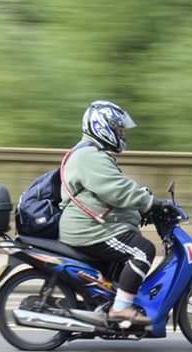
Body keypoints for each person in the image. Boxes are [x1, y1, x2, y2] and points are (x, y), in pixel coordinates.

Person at [59, 100, 172, 326]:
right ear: (102, 127)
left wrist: (141, 211)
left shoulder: (92, 154)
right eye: (117, 129)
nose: (121, 134)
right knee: (142, 251)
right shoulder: (90, 156)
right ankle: (120, 310)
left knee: (126, 255)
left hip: (93, 225)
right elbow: (117, 190)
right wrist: (151, 202)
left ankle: (112, 303)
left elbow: (109, 194)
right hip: (89, 230)